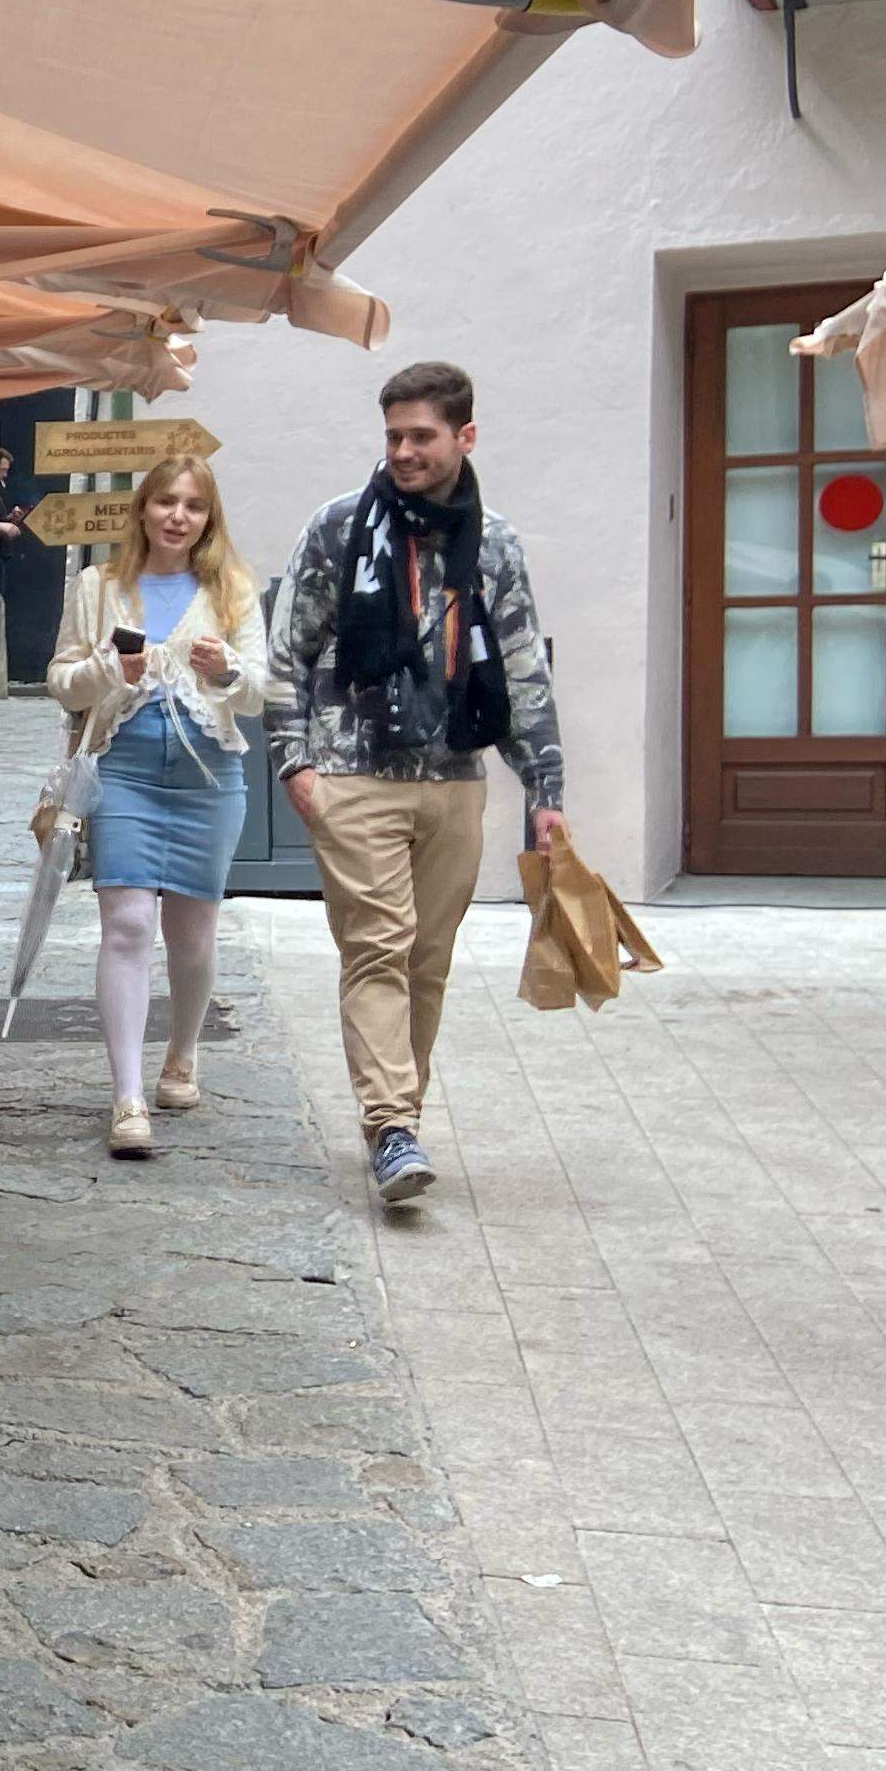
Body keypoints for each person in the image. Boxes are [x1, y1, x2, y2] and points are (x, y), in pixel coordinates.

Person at [263, 361, 563, 1208]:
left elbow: (522, 668)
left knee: (426, 962)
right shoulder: (338, 529)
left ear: (464, 437)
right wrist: (296, 759)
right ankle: (392, 1126)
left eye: (420, 436)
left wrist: (544, 792)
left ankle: (398, 1122)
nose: (402, 451)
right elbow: (288, 649)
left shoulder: (494, 544)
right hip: (352, 775)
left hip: (454, 779)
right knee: (377, 949)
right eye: (393, 436)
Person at [46, 455, 265, 1158]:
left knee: (192, 936)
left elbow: (261, 690)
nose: (178, 516)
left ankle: (182, 1053)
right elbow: (62, 683)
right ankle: (127, 1096)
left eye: (193, 506)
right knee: (129, 926)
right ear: (142, 510)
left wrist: (226, 670)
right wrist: (111, 668)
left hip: (209, 783)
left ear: (208, 518)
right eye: (166, 501)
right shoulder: (97, 588)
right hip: (126, 776)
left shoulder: (231, 590)